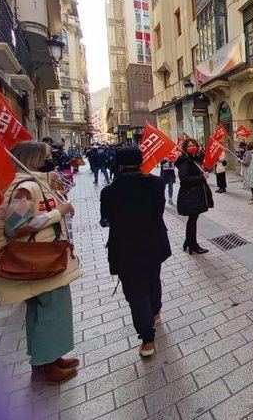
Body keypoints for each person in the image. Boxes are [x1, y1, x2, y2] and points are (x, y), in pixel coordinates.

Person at [0, 141, 80, 385]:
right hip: (39, 261)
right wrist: (57, 213)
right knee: (51, 311)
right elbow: (15, 227)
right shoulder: (25, 188)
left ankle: (48, 358)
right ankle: (45, 367)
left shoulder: (30, 183)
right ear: (34, 158)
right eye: (47, 155)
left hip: (43, 258)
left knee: (45, 311)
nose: (52, 157)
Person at [100, 147, 171, 358]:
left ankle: (148, 340)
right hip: (154, 242)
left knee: (136, 291)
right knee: (153, 278)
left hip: (126, 247)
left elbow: (106, 220)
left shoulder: (110, 191)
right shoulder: (157, 184)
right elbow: (158, 211)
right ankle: (156, 310)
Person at [175, 138, 213, 254]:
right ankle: (193, 245)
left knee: (192, 220)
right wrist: (202, 177)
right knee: (192, 220)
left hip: (195, 194)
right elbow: (184, 180)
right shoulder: (185, 161)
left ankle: (189, 242)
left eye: (193, 145)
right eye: (189, 145)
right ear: (185, 148)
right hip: (190, 195)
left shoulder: (193, 159)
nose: (192, 147)